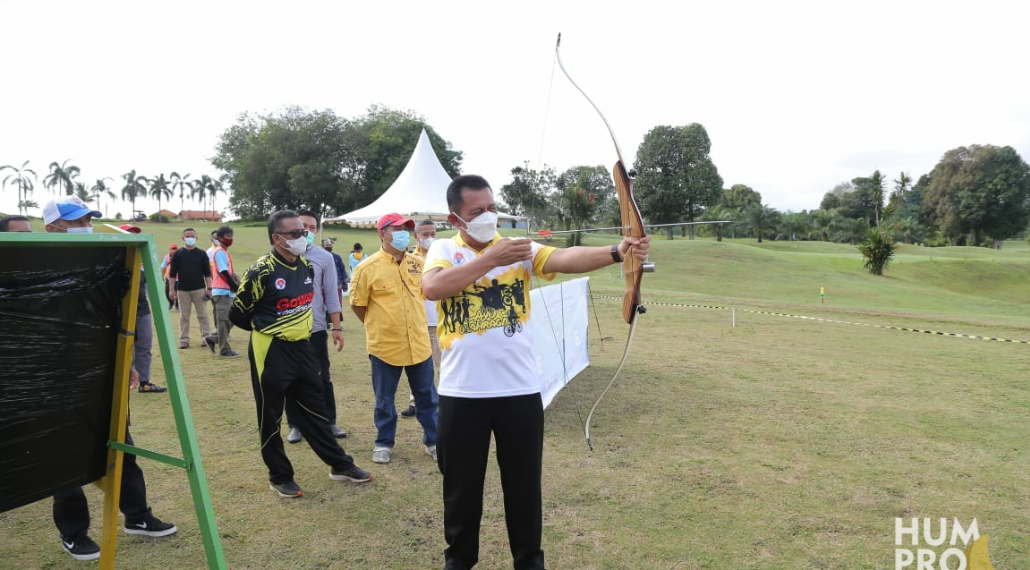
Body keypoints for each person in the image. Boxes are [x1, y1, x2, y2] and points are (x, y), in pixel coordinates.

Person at [421, 175, 650, 570]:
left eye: (492, 207)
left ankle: (529, 561)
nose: (488, 216)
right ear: (455, 218)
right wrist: (490, 260)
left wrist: (616, 250)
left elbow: (564, 258)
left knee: (524, 487)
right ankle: (459, 560)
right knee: (461, 488)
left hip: (520, 391)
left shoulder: (519, 250)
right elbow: (434, 289)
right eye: (477, 211)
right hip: (463, 393)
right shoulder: (444, 248)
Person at [40, 196, 177, 560]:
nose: (84, 225)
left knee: (122, 445)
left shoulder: (96, 265)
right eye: (75, 221)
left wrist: (125, 362)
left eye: (87, 218)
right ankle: (74, 533)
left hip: (102, 374)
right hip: (55, 380)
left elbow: (112, 322)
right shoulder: (36, 269)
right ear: (52, 227)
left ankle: (138, 516)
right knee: (66, 455)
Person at [229, 210, 372, 498]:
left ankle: (339, 465)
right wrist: (270, 328)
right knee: (270, 415)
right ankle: (279, 476)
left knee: (315, 409)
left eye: (304, 232)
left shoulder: (306, 266)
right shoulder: (262, 270)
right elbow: (238, 314)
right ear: (277, 238)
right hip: (270, 349)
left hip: (304, 347)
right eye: (294, 233)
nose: (302, 237)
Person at [349, 213, 439, 464]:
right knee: (384, 399)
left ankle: (434, 440)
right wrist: (379, 325)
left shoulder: (418, 264)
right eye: (397, 229)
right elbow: (358, 305)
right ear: (382, 234)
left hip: (419, 343)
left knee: (428, 397)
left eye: (405, 229)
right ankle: (383, 443)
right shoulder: (367, 268)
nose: (402, 234)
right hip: (385, 345)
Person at [285, 210, 348, 443]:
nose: (308, 231)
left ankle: (328, 422)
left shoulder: (324, 257)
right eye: (304, 226)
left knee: (322, 376)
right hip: (288, 329)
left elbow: (332, 294)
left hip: (317, 327)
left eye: (313, 227)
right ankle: (295, 424)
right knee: (291, 378)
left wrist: (338, 328)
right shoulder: (283, 254)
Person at [118, 224, 168, 393]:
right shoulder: (116, 263)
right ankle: (122, 382)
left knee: (144, 347)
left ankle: (144, 382)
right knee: (122, 349)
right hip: (122, 313)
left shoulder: (142, 264)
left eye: (135, 235)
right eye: (129, 234)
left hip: (142, 311)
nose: (133, 239)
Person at [401, 219, 442, 418]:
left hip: (439, 320)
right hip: (416, 321)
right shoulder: (409, 259)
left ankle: (444, 398)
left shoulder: (443, 257)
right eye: (425, 234)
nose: (430, 238)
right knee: (416, 363)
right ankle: (415, 401)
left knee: (441, 363)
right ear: (416, 236)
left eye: (433, 233)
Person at [168, 228, 215, 351]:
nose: (190, 238)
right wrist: (171, 290)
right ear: (183, 238)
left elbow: (207, 273)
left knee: (203, 315)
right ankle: (184, 340)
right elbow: (172, 274)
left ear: (196, 238)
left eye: (192, 236)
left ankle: (206, 337)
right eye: (188, 236)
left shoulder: (202, 254)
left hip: (199, 289)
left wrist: (209, 288)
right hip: (182, 290)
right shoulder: (178, 254)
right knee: (184, 316)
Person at [209, 225, 240, 358]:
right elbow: (223, 272)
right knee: (224, 320)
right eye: (227, 236)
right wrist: (234, 286)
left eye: (231, 236)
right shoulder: (220, 252)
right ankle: (225, 349)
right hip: (222, 291)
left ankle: (214, 338)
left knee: (232, 318)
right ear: (220, 238)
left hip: (226, 291)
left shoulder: (224, 252)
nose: (230, 239)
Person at [160, 244, 179, 311]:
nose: (174, 250)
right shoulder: (167, 257)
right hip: (169, 278)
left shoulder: (180, 256)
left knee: (177, 293)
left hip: (178, 279)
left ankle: (177, 306)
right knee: (167, 292)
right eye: (173, 249)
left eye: (175, 249)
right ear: (170, 250)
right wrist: (162, 276)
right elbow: (163, 267)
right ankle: (171, 303)